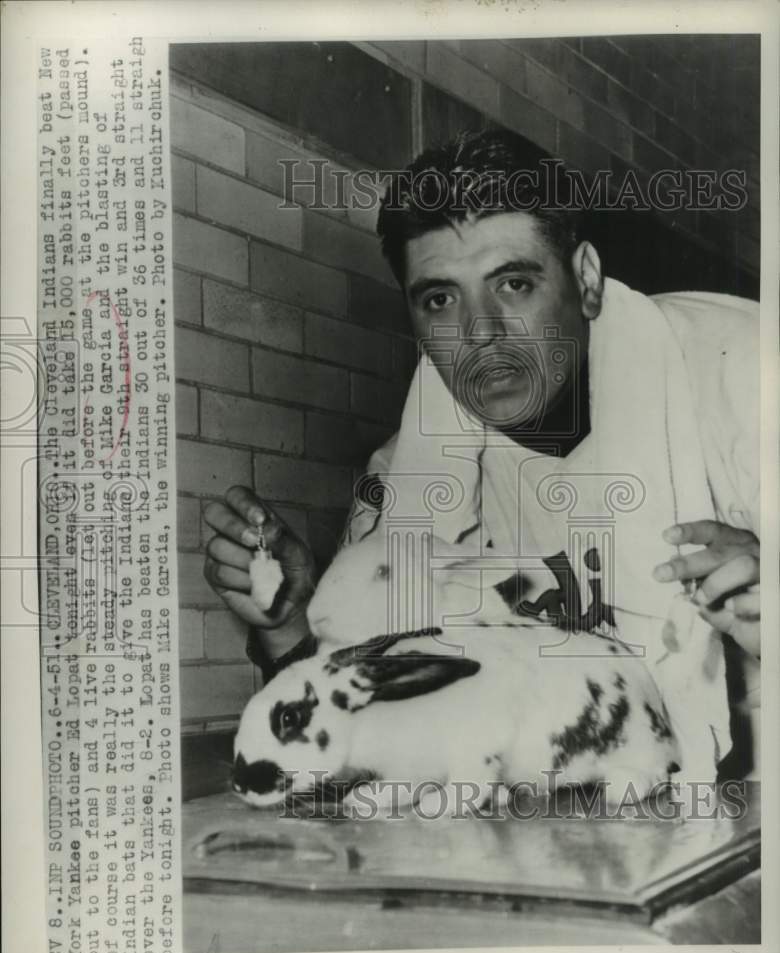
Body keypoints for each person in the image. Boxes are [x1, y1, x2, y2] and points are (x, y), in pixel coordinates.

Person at [203, 130, 760, 776]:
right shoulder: (416, 478)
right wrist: (287, 624)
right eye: (441, 299)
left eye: (515, 284)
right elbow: (368, 723)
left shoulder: (744, 384)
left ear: (585, 279)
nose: (480, 333)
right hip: (605, 827)